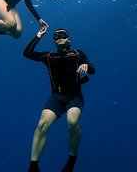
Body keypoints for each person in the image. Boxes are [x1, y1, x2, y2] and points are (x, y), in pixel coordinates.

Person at [23, 28, 95, 172]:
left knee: (72, 121)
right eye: (56, 36)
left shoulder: (78, 53)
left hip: (74, 96)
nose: (59, 37)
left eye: (63, 35)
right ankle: (33, 167)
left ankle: (71, 160)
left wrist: (85, 66)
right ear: (54, 41)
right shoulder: (49, 57)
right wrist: (39, 35)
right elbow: (27, 53)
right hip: (56, 97)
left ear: (69, 38)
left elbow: (92, 69)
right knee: (42, 124)